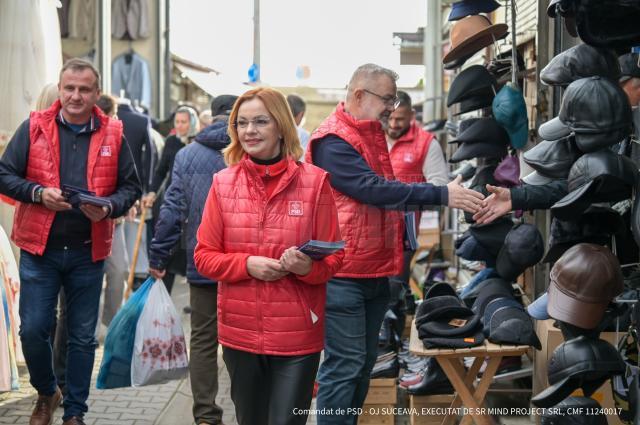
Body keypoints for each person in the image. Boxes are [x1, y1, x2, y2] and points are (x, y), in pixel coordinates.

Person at [305, 63, 484, 425]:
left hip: (374, 269)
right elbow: (370, 190)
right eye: (388, 99)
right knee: (346, 366)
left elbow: (386, 196)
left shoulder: (368, 134)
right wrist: (440, 194)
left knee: (362, 365)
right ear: (360, 95)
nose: (392, 107)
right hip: (344, 274)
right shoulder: (332, 140)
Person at [0, 58, 140, 425]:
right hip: (39, 249)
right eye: (69, 88)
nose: (75, 96)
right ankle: (47, 391)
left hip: (86, 251)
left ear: (96, 93)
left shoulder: (114, 133)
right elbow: (4, 175)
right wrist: (36, 192)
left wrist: (108, 207)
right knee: (32, 328)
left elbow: (131, 187)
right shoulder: (33, 127)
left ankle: (75, 412)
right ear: (60, 90)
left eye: (84, 89)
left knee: (81, 338)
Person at [194, 87, 344, 425]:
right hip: (240, 334)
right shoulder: (222, 183)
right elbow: (204, 257)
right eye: (242, 123)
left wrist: (307, 267)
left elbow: (334, 260)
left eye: (260, 121)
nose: (250, 131)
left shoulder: (316, 182)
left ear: (281, 126)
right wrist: (247, 264)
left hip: (298, 336)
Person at [148, 94, 239, 425]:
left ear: (210, 118)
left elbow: (171, 211)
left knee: (203, 338)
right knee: (241, 340)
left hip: (204, 261)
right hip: (248, 264)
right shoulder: (253, 149)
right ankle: (247, 409)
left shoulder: (187, 155)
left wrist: (158, 256)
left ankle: (205, 414)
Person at [384, 89, 449, 333]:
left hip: (406, 225)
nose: (392, 124)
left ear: (412, 115)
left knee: (395, 282)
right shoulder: (372, 137)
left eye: (399, 118)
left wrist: (401, 193)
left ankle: (393, 342)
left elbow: (439, 185)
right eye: (388, 117)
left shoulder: (425, 143)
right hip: (368, 226)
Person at [142, 105, 199, 293]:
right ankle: (162, 291)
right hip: (172, 199)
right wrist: (151, 192)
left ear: (192, 123)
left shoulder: (198, 143)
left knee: (188, 247)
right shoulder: (171, 142)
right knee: (169, 243)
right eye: (178, 122)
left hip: (192, 203)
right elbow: (161, 170)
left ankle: (193, 287)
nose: (181, 126)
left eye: (184, 122)